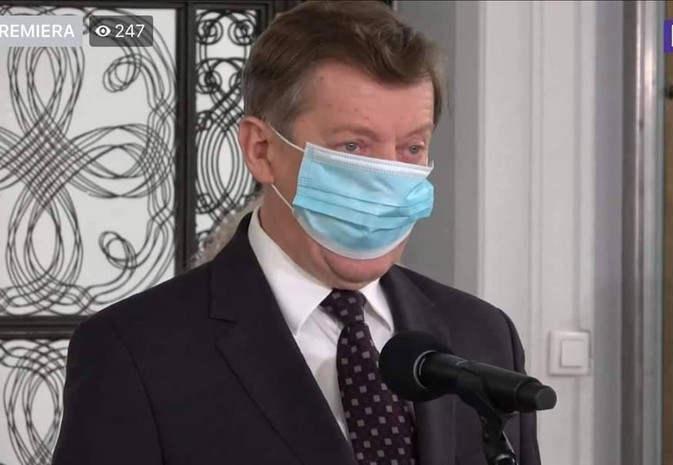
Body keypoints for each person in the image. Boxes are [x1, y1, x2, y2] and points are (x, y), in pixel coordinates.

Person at [51, 2, 541, 464]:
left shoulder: (484, 335)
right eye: (353, 146)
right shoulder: (135, 351)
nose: (388, 177)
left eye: (411, 148)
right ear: (261, 150)